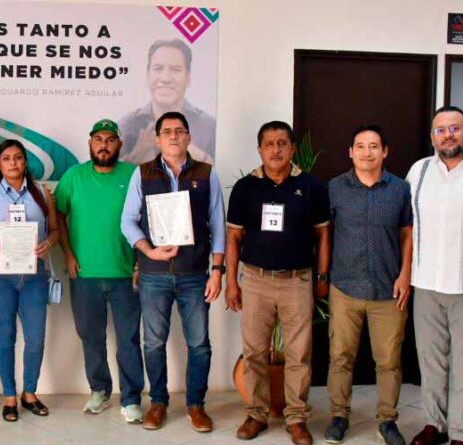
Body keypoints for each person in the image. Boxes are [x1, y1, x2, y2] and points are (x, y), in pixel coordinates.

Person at [225, 121, 330, 445]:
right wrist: (232, 282)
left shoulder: (310, 186)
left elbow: (323, 234)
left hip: (297, 281)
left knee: (299, 354)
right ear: (259, 149)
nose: (275, 149)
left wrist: (321, 276)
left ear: (292, 149)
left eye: (282, 143)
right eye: (269, 144)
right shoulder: (245, 188)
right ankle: (256, 414)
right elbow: (234, 237)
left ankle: (296, 418)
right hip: (256, 281)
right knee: (254, 351)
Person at [120, 111, 225, 432]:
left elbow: (217, 225)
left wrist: (217, 271)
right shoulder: (142, 174)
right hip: (153, 274)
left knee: (199, 344)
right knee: (153, 343)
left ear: (189, 137)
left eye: (180, 131)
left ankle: (196, 405)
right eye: (167, 131)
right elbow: (127, 221)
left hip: (195, 273)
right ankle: (158, 403)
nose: (174, 136)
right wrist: (148, 250)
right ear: (157, 139)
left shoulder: (207, 173)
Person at [323, 125, 412, 445]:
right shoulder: (335, 188)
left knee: (389, 361)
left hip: (388, 290)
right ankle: (339, 415)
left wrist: (405, 275)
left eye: (374, 146)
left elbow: (407, 234)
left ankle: (387, 421)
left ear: (385, 152)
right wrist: (323, 277)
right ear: (350, 152)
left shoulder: (400, 189)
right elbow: (324, 234)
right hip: (344, 287)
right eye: (360, 146)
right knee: (340, 356)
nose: (366, 152)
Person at [54, 119, 144, 423]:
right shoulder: (74, 176)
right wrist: (68, 254)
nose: (103, 145)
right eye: (98, 139)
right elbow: (58, 215)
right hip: (85, 274)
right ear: (90, 143)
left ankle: (131, 399)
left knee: (128, 339)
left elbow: (148, 219)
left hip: (125, 274)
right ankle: (99, 390)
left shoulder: (133, 175)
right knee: (90, 336)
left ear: (119, 144)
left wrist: (140, 261)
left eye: (110, 140)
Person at [0, 139, 59, 422]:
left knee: (36, 338)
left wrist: (48, 244)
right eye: (6, 158)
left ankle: (30, 394)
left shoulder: (42, 193)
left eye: (18, 157)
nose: (13, 163)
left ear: (25, 161)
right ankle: (9, 396)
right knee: (6, 338)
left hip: (34, 275)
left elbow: (55, 231)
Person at [406, 106, 463, 445]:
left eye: (455, 128)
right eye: (441, 130)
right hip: (425, 281)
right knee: (431, 360)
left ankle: (460, 430)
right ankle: (435, 424)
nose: (448, 135)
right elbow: (408, 226)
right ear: (432, 137)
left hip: (462, 285)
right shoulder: (420, 171)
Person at [119, 39, 216, 165]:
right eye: (158, 68)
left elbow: (222, 174)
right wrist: (134, 158)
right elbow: (107, 174)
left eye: (175, 69)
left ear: (188, 77)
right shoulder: (126, 126)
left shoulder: (210, 128)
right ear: (147, 75)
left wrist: (201, 158)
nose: (165, 78)